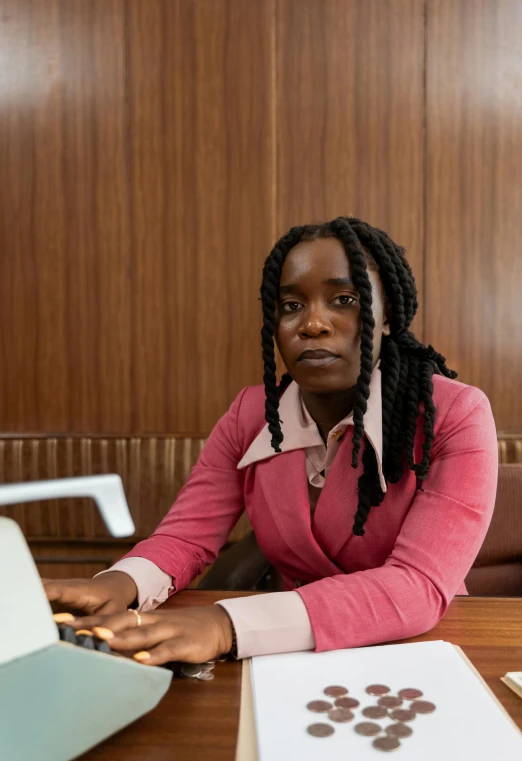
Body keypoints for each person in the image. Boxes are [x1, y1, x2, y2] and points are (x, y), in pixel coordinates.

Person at [44, 216, 498, 666]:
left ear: (388, 316)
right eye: (291, 306)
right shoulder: (250, 414)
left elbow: (416, 586)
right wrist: (117, 585)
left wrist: (227, 624)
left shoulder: (457, 414)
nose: (313, 324)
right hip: (287, 654)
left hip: (412, 652)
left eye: (344, 299)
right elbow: (185, 536)